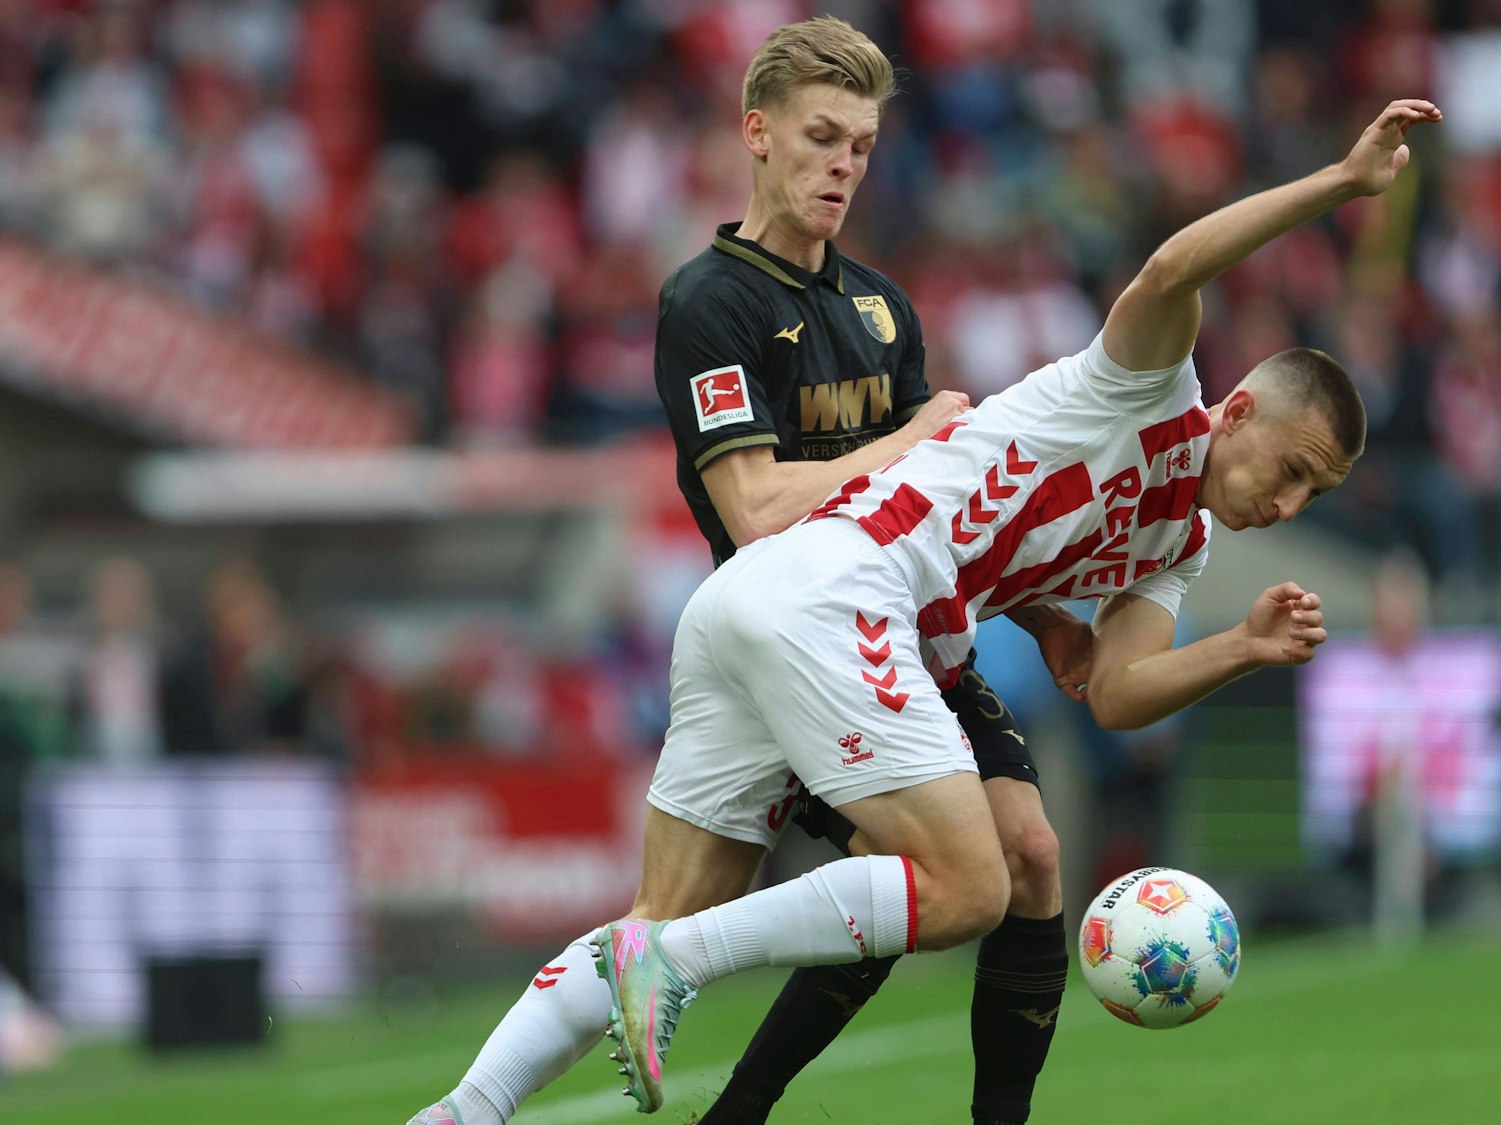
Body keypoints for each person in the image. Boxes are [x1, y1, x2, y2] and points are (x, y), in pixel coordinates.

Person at [417, 79, 1438, 1125]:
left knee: (788, 887)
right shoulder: (1143, 386)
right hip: (846, 589)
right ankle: (672, 965)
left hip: (770, 600)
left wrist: (1241, 647)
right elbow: (1175, 265)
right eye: (1293, 467)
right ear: (1237, 410)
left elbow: (1118, 691)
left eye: (1314, 494)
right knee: (964, 886)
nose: (1290, 499)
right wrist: (1339, 183)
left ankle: (462, 1109)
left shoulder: (1178, 541)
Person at [411, 19, 1091, 1125]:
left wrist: (1043, 604)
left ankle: (463, 1111)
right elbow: (755, 502)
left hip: (877, 630)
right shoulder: (708, 301)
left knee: (990, 858)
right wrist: (906, 439)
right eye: (821, 137)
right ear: (755, 132)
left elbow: (940, 511)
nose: (842, 166)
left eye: (862, 147)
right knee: (948, 879)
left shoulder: (881, 309)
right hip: (792, 628)